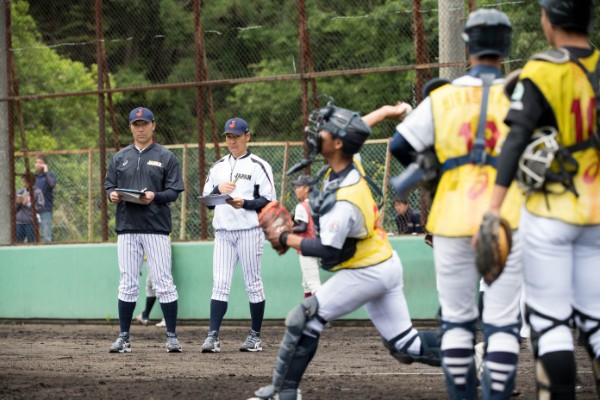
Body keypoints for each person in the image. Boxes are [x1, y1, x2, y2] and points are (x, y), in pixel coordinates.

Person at [363, 9, 524, 399]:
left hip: (452, 217)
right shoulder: (520, 95)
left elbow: (400, 144)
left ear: (467, 47)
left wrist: (436, 168)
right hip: (507, 218)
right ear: (505, 49)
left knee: (456, 321)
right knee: (502, 323)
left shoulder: (444, 98)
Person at [250, 103, 440, 400]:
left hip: (367, 270)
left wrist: (286, 238)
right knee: (406, 346)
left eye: (324, 131)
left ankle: (284, 392)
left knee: (305, 317)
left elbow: (327, 248)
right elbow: (357, 127)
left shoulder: (345, 199)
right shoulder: (349, 162)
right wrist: (389, 111)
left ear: (337, 143)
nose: (317, 133)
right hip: (381, 262)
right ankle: (473, 358)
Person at [487, 1, 600, 397]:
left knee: (550, 323)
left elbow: (516, 140)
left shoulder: (543, 68)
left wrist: (493, 207)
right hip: (597, 213)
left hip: (551, 212)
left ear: (550, 20)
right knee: (596, 321)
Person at [104, 106, 184, 353]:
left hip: (156, 228)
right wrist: (112, 195)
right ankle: (124, 337)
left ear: (153, 126)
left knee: (164, 282)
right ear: (130, 127)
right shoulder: (120, 157)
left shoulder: (166, 156)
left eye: (145, 124)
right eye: (136, 124)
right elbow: (109, 185)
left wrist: (155, 195)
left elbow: (173, 192)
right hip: (127, 227)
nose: (140, 128)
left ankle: (171, 336)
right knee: (127, 283)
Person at [200, 117, 276, 353]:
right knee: (220, 284)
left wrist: (245, 203)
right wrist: (217, 190)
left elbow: (269, 201)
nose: (232, 141)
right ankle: (213, 336)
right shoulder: (218, 166)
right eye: (228, 136)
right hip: (223, 232)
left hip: (249, 231)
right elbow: (207, 202)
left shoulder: (258, 165)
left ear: (247, 136)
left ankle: (255, 336)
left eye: (236, 136)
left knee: (253, 284)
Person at [292, 175, 321, 298]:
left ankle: (323, 314)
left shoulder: (302, 206)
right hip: (318, 245)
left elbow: (302, 227)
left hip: (307, 247)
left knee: (314, 285)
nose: (296, 189)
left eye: (299, 186)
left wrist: (285, 230)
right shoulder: (317, 203)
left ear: (306, 188)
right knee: (307, 284)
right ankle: (309, 314)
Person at [16, 173, 44, 243]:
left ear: (30, 182)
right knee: (18, 242)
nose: (23, 184)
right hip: (20, 221)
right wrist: (18, 202)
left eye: (25, 182)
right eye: (23, 181)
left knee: (32, 242)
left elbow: (40, 207)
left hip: (31, 221)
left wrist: (28, 204)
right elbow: (15, 209)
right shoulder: (21, 191)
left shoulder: (37, 192)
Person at [34, 155, 57, 243]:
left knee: (46, 235)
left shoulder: (50, 175)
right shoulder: (33, 177)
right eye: (36, 162)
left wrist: (46, 172)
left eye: (40, 163)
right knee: (34, 234)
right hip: (34, 209)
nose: (38, 164)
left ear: (45, 165)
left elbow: (52, 184)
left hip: (46, 208)